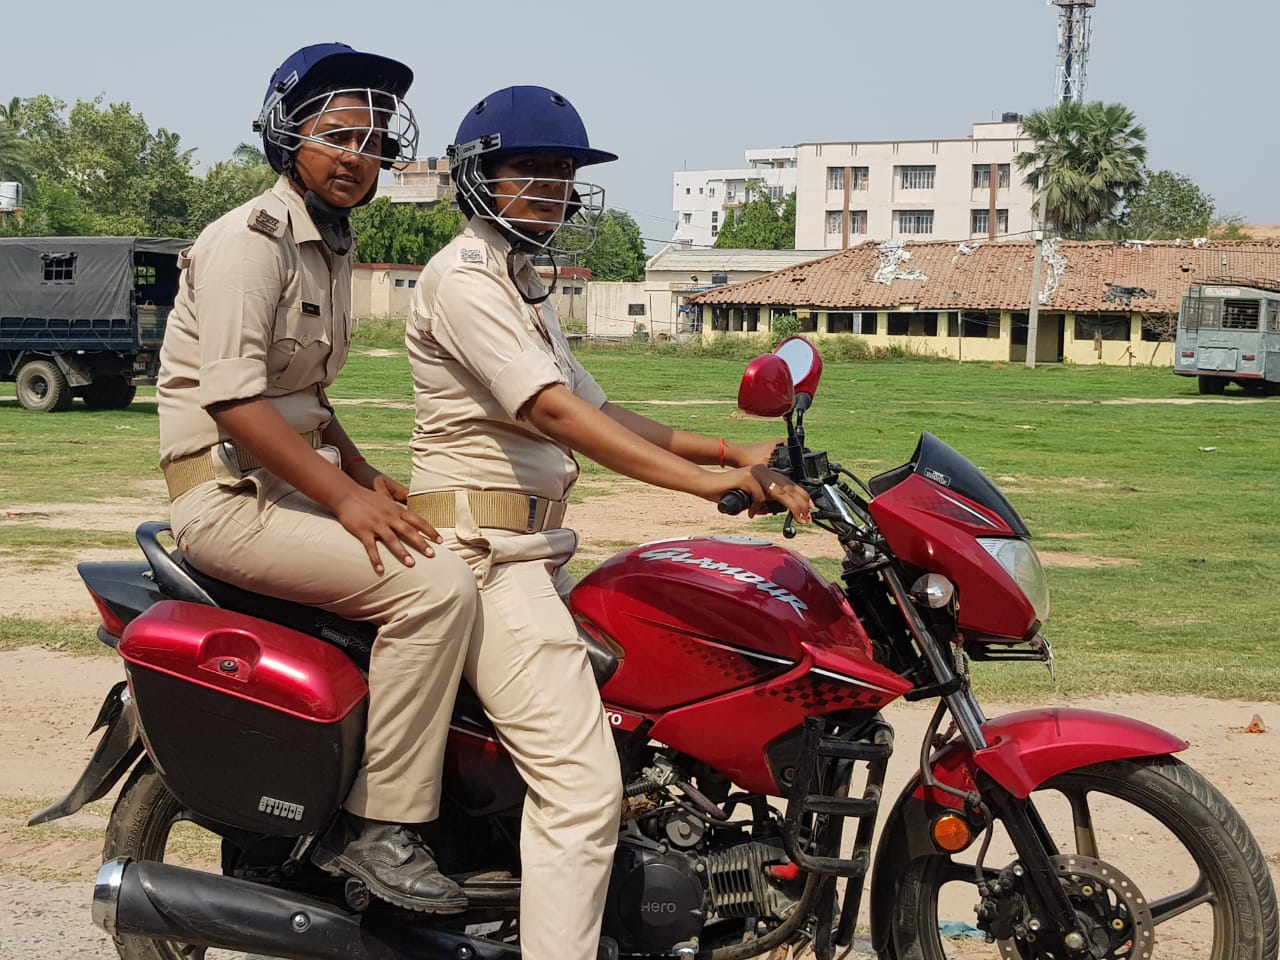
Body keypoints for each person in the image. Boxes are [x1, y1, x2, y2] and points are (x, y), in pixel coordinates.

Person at [404, 86, 813, 960]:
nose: (553, 189)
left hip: (534, 551)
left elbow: (603, 407)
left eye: (564, 174)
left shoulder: (524, 286)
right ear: (479, 177)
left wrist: (724, 447)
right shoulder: (465, 279)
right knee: (583, 791)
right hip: (483, 559)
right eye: (532, 170)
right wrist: (704, 490)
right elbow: (554, 414)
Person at [155, 43, 477, 914]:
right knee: (436, 588)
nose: (356, 156)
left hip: (288, 485)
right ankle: (381, 827)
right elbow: (234, 403)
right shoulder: (246, 243)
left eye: (373, 140)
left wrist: (367, 476)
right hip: (227, 501)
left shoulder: (327, 245)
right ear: (286, 138)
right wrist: (343, 497)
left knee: (467, 550)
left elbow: (306, 395)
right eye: (337, 136)